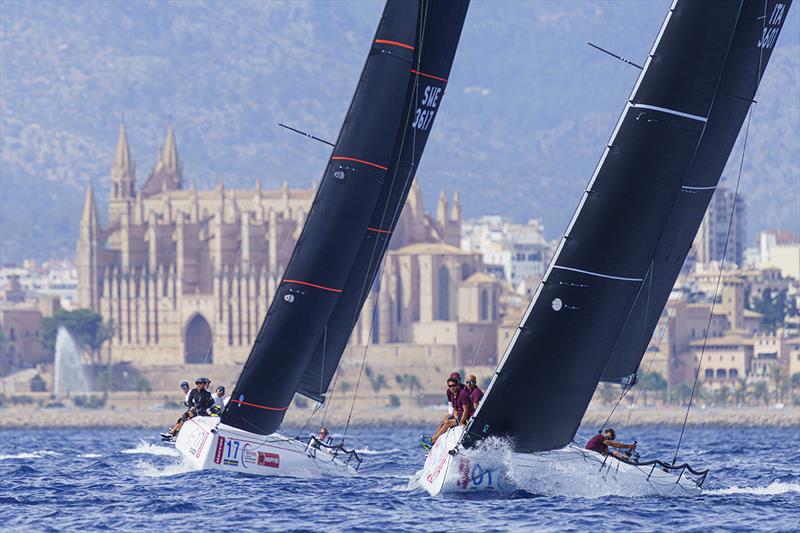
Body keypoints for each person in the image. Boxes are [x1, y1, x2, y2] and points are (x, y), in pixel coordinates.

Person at [427, 372, 471, 446]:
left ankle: (432, 441)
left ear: (458, 381)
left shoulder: (463, 391)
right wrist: (453, 415)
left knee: (447, 423)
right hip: (458, 414)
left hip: (466, 416)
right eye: (450, 386)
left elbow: (466, 409)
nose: (451, 388)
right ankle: (433, 440)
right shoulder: (451, 392)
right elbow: (453, 407)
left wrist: (461, 422)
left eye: (454, 385)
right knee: (443, 421)